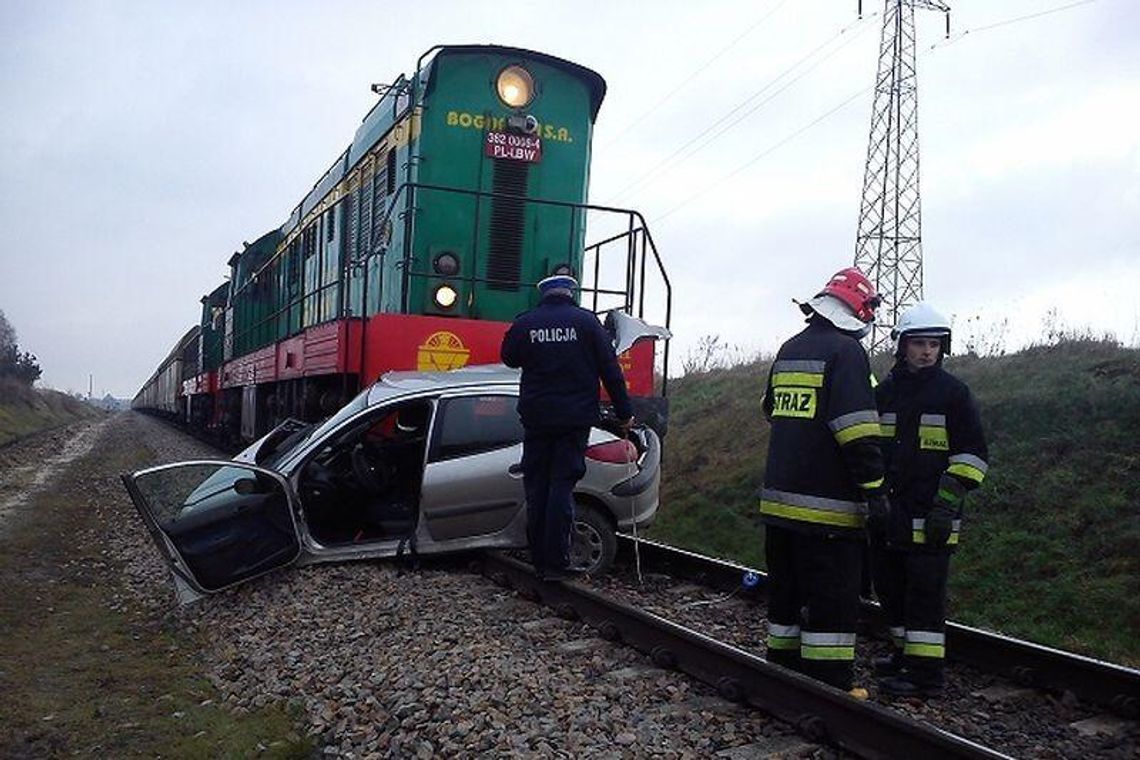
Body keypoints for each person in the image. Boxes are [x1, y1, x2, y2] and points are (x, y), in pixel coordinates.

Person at [759, 267, 888, 695]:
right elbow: (857, 432)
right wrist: (875, 491)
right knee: (831, 601)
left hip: (779, 507)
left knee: (787, 595)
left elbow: (770, 406)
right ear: (858, 311)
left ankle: (783, 673)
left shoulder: (790, 348)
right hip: (828, 510)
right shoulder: (846, 354)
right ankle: (829, 689)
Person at [871, 302, 989, 697]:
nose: (926, 351)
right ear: (902, 346)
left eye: (934, 345)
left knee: (924, 598)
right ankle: (905, 657)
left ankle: (925, 677)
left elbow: (972, 456)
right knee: (891, 588)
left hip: (934, 515)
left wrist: (946, 502)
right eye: (919, 343)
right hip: (891, 513)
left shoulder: (954, 394)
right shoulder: (885, 393)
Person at [501, 274, 633, 580]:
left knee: (537, 486)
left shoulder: (526, 322)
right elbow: (610, 371)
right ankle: (556, 561)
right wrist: (625, 412)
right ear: (571, 293)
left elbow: (508, 357)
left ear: (543, 294)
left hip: (537, 419)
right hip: (574, 420)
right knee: (562, 485)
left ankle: (538, 558)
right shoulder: (587, 323)